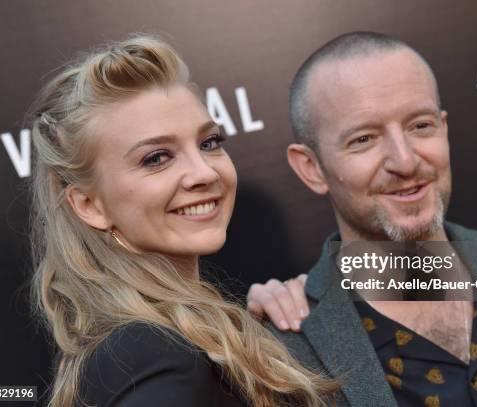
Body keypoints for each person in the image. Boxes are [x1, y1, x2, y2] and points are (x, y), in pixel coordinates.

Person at [247, 32, 477, 407]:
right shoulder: (286, 350)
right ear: (311, 168)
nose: (405, 161)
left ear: (444, 130)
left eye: (420, 126)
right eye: (364, 139)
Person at [29, 35, 337, 407]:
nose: (204, 172)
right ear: (90, 205)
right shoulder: (147, 353)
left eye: (209, 143)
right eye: (157, 158)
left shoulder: (149, 345)